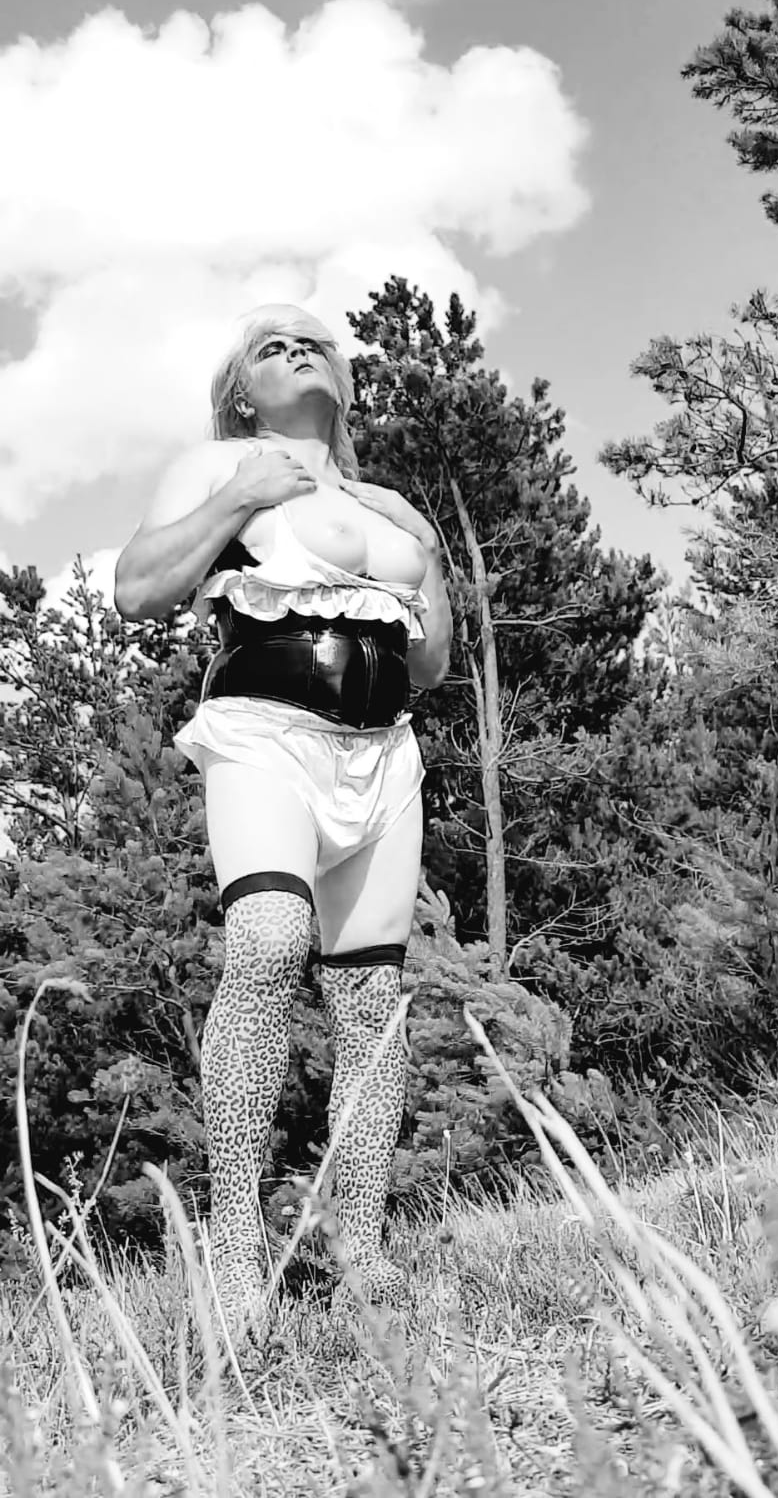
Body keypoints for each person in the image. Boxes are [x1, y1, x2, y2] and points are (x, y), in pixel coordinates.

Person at [114, 303, 453, 1342]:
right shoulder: (221, 467)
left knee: (372, 1000)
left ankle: (362, 1255)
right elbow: (136, 589)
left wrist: (427, 557)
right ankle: (233, 1250)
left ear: (344, 380)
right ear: (240, 393)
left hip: (382, 750)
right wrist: (240, 497)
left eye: (315, 342)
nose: (299, 350)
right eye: (272, 345)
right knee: (266, 943)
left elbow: (431, 664)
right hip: (266, 732)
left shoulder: (388, 509)